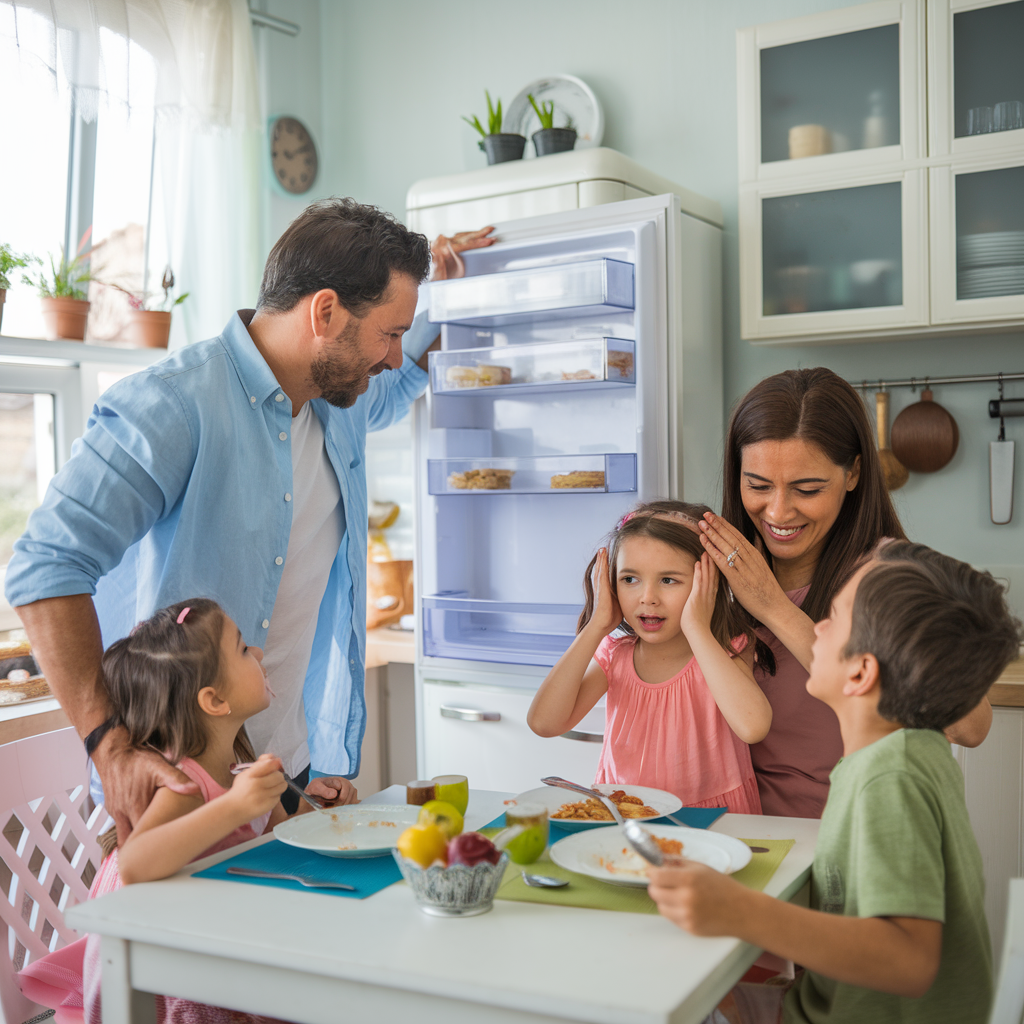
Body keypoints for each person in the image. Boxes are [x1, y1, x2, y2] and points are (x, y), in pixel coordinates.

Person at [4, 199, 494, 839]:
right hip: (175, 789)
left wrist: (446, 296)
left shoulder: (337, 404)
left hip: (279, 780)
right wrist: (108, 745)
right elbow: (45, 567)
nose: (395, 356)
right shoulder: (175, 404)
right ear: (324, 312)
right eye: (389, 333)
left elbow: (396, 388)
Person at [648, 540, 1021, 1024]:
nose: (816, 627)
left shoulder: (891, 779)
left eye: (835, 617)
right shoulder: (908, 750)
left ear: (862, 672)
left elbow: (908, 961)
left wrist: (740, 911)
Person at [18, 597, 358, 1024]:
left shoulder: (242, 762)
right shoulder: (183, 781)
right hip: (165, 979)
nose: (257, 652)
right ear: (214, 700)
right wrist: (235, 806)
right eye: (241, 648)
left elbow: (278, 840)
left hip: (213, 943)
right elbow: (136, 864)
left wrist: (316, 807)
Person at [697, 368, 991, 818]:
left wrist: (774, 608)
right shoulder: (720, 568)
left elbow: (970, 725)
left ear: (853, 472)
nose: (777, 511)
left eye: (807, 488)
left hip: (851, 843)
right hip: (741, 838)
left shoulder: (889, 573)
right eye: (757, 485)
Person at [527, 500, 772, 813]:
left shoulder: (727, 648)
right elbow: (544, 723)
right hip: (628, 812)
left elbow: (753, 727)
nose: (647, 598)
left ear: (707, 581)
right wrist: (598, 624)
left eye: (668, 580)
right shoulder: (615, 655)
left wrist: (697, 627)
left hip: (714, 818)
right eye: (630, 579)